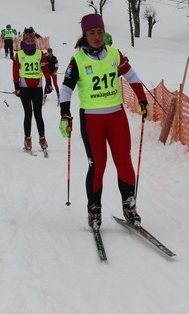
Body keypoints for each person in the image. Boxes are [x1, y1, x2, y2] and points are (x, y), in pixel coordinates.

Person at [58, 13, 148, 230]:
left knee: (124, 161)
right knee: (97, 165)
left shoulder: (115, 54)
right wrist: (65, 113)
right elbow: (67, 88)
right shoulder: (78, 60)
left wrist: (142, 99)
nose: (97, 37)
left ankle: (129, 206)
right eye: (92, 33)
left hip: (116, 116)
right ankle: (94, 209)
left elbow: (133, 77)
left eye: (100, 32)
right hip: (91, 118)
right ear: (85, 35)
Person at [13, 30, 52, 152]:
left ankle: (42, 138)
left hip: (37, 87)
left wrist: (49, 83)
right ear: (24, 42)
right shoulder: (19, 55)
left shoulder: (40, 54)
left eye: (31, 41)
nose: (30, 43)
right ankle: (27, 138)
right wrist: (16, 86)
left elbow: (45, 69)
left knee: (38, 114)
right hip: (24, 87)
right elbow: (15, 71)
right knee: (28, 113)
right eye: (27, 41)